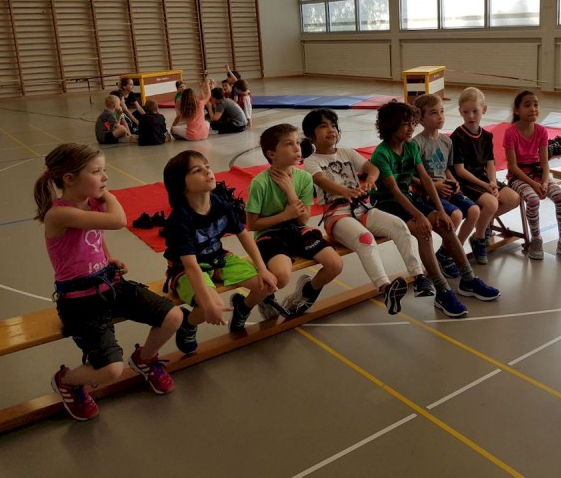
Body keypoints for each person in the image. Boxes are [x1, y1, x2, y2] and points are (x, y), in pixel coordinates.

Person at [34, 143, 182, 421]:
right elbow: (118, 220)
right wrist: (109, 196)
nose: (105, 177)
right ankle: (67, 381)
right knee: (111, 370)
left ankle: (144, 358)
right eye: (97, 172)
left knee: (173, 316)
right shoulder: (59, 214)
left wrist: (107, 258)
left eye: (104, 171)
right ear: (69, 179)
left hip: (111, 286)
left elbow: (95, 236)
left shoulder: (91, 204)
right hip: (81, 303)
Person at [370, 101, 501, 318]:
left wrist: (440, 210)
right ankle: (442, 291)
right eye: (406, 124)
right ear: (391, 126)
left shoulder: (410, 146)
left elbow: (426, 180)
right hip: (387, 204)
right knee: (424, 233)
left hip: (407, 198)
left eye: (413, 123)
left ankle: (468, 279)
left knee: (446, 225)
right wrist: (420, 216)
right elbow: (394, 191)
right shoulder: (381, 154)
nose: (411, 128)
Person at [162, 150, 278, 355]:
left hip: (218, 258)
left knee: (266, 285)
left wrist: (262, 268)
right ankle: (188, 323)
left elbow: (243, 234)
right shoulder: (180, 219)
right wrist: (207, 304)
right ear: (181, 184)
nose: (208, 172)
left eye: (207, 167)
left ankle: (242, 308)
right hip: (185, 269)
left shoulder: (219, 203)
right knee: (211, 304)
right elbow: (191, 266)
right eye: (197, 170)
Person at [301, 108, 412, 315]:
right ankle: (385, 288)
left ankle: (419, 276)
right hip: (337, 215)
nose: (331, 130)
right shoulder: (311, 160)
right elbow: (322, 181)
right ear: (310, 136)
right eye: (323, 126)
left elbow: (373, 168)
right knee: (365, 239)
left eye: (333, 125)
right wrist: (345, 191)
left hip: (363, 208)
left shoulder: (347, 152)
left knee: (399, 225)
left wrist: (370, 179)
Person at [245, 124, 343, 318]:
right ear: (272, 154)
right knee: (281, 277)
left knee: (335, 265)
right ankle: (260, 299)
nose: (297, 148)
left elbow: (304, 219)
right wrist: (284, 215)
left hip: (297, 230)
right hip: (270, 235)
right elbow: (252, 225)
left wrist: (290, 192)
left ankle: (306, 292)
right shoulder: (259, 183)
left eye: (297, 143)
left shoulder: (304, 177)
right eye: (289, 144)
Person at [412, 94, 489, 271]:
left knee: (474, 210)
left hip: (445, 188)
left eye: (442, 111)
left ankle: (446, 252)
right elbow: (411, 177)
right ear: (421, 119)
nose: (440, 117)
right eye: (433, 113)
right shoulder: (417, 144)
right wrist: (434, 186)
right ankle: (448, 253)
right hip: (427, 193)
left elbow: (446, 168)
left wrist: (454, 182)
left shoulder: (446, 141)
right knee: (455, 215)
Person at [504, 91, 561, 262]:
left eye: (535, 104)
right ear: (517, 110)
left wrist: (545, 182)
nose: (533, 109)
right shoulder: (511, 133)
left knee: (560, 197)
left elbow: (545, 163)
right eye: (527, 105)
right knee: (533, 200)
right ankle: (536, 240)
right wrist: (534, 184)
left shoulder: (541, 131)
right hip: (518, 176)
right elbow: (513, 167)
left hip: (539, 174)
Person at [451, 87, 521, 251]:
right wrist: (485, 186)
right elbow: (459, 171)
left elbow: (490, 163)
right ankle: (479, 237)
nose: (471, 116)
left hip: (482, 178)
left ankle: (481, 225)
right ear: (460, 112)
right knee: (491, 203)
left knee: (514, 198)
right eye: (466, 112)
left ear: (484, 109)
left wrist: (492, 182)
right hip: (465, 182)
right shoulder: (457, 137)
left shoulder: (487, 136)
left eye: (475, 111)